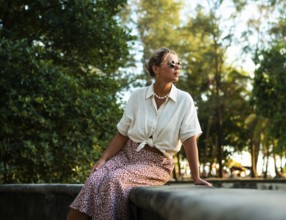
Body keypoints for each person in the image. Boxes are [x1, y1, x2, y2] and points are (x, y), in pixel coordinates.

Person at [66, 47, 212, 220]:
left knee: (115, 180)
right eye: (172, 63)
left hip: (157, 163)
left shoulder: (184, 100)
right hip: (127, 154)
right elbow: (122, 134)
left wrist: (196, 176)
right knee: (94, 179)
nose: (178, 67)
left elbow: (189, 139)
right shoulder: (137, 96)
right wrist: (103, 159)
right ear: (156, 68)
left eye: (179, 64)